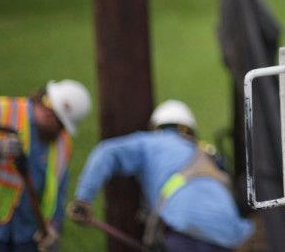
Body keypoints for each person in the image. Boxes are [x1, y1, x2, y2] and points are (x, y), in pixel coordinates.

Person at [67, 99, 254, 252]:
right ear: (189, 130)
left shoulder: (149, 142)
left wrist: (83, 198)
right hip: (230, 237)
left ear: (156, 127)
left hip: (182, 232)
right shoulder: (208, 155)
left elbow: (106, 152)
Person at [0, 80, 92, 252]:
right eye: (59, 123)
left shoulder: (63, 144)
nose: (59, 130)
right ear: (47, 108)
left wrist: (54, 227)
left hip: (27, 234)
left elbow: (58, 189)